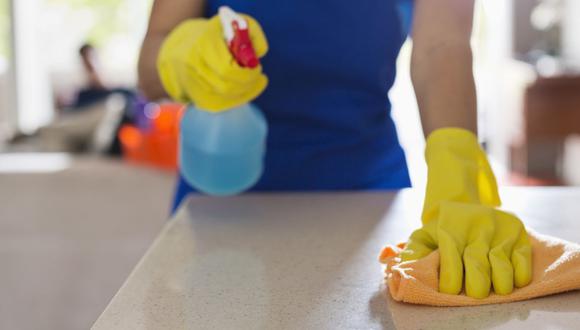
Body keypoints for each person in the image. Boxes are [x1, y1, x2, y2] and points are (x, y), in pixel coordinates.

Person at [139, 0, 533, 299]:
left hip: (368, 196)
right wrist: (183, 56)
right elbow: (148, 68)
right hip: (223, 194)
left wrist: (456, 163)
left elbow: (442, 44)